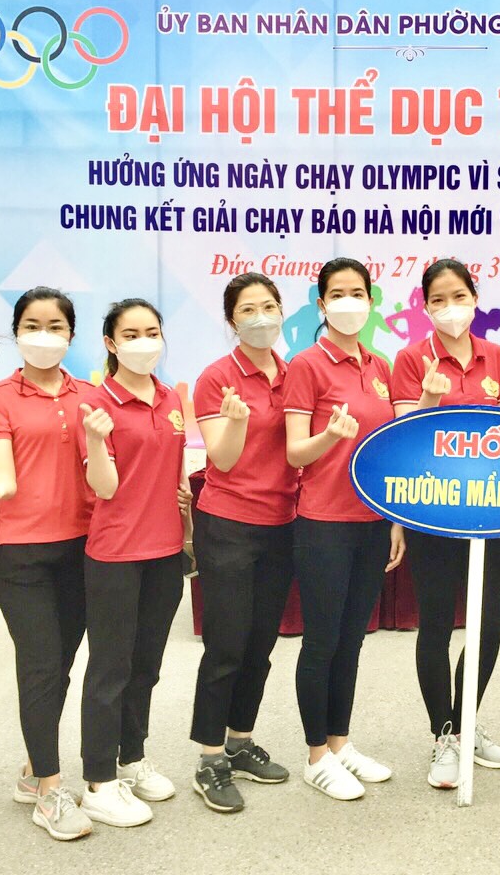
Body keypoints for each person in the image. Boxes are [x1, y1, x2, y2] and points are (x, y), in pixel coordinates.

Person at [0, 287, 94, 840]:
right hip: (21, 552)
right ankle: (50, 790)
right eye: (32, 325)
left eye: (55, 326)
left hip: (84, 548)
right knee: (41, 665)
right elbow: (2, 472)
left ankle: (31, 770)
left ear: (71, 334)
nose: (44, 335)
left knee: (61, 665)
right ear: (16, 332)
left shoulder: (90, 395)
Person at [282, 258, 405, 801]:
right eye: (338, 293)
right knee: (323, 641)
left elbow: (389, 448)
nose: (349, 302)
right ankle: (316, 755)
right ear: (322, 303)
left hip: (372, 521)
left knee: (352, 640)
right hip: (324, 523)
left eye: (358, 292)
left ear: (371, 301)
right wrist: (331, 436)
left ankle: (340, 743)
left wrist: (395, 518)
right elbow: (295, 452)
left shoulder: (380, 366)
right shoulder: (306, 365)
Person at [390, 259, 500, 790]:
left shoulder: (498, 358)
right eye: (438, 300)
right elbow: (403, 440)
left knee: (487, 626)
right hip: (431, 510)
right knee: (437, 624)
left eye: (459, 296)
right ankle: (443, 735)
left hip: (489, 510)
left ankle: (465, 724)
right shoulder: (410, 359)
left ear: (474, 297)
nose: (450, 308)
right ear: (425, 306)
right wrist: (429, 398)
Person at [76, 298, 191, 827]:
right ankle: (98, 781)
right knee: (110, 670)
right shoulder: (97, 403)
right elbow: (104, 486)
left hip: (165, 553)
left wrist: (186, 524)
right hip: (116, 554)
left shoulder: (170, 398)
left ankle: (132, 757)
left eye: (152, 332)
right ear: (110, 343)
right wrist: (96, 440)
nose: (144, 342)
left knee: (146, 666)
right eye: (131, 334)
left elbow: (173, 471)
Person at [189, 273, 299, 813]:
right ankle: (210, 758)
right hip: (229, 523)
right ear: (232, 319)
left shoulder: (293, 373)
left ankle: (239, 741)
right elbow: (223, 458)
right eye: (249, 309)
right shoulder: (217, 377)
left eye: (270, 306)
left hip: (283, 521)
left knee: (261, 642)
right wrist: (235, 422)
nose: (261, 317)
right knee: (227, 644)